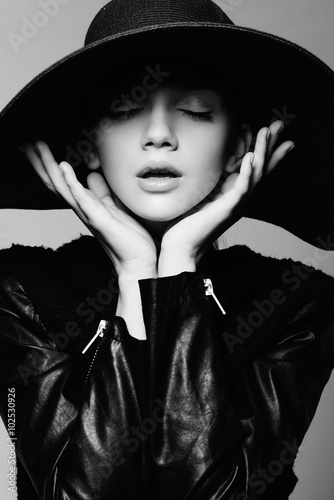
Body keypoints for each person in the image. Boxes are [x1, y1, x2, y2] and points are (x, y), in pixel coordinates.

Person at [0, 0, 333, 499]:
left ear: (240, 147)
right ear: (89, 147)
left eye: (195, 112)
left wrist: (176, 266)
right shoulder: (21, 292)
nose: (158, 135)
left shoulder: (297, 304)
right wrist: (135, 273)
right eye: (127, 110)